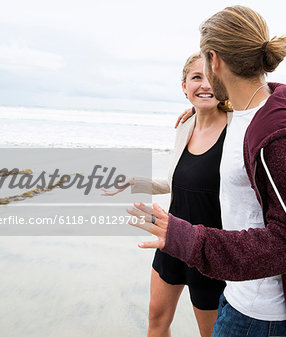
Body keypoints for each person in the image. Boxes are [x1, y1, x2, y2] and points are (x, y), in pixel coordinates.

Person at [127, 5, 286, 337]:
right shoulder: (243, 115)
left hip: (261, 316)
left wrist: (187, 237)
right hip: (235, 294)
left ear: (214, 60)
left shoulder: (278, 135)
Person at [105, 52, 231, 337]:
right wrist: (134, 183)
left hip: (208, 249)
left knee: (210, 332)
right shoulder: (185, 126)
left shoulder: (238, 129)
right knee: (156, 319)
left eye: (212, 77)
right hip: (170, 238)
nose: (205, 85)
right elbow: (182, 181)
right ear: (184, 86)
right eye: (196, 77)